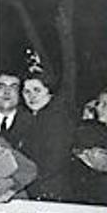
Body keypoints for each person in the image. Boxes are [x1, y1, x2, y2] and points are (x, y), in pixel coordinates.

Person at [20, 72, 72, 200]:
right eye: (27, 91)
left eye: (37, 90)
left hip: (50, 193)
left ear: (49, 91)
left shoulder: (56, 119)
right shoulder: (34, 119)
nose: (32, 96)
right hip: (39, 190)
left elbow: (54, 161)